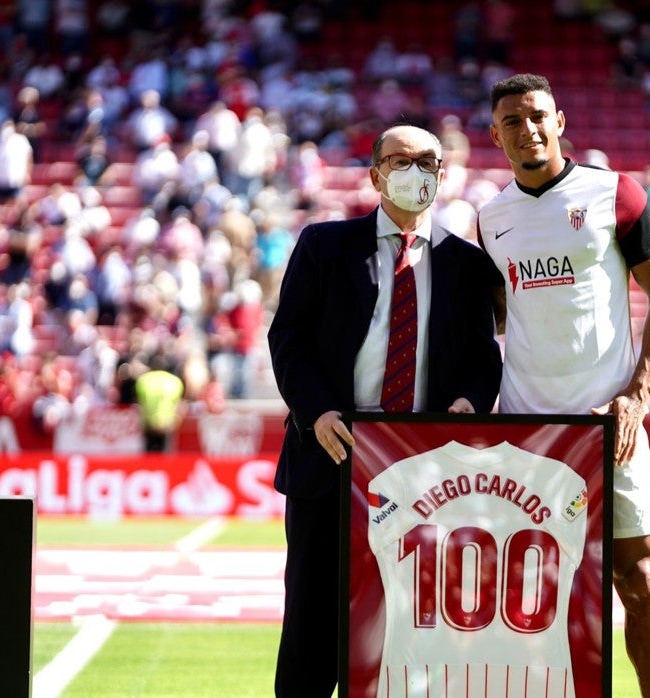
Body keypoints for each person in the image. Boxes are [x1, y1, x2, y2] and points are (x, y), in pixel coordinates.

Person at [266, 123, 502, 698]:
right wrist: (317, 412)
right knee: (312, 626)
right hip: (332, 455)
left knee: (408, 629)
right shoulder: (324, 246)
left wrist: (470, 403)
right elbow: (288, 341)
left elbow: (483, 359)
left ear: (443, 174)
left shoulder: (467, 264)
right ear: (375, 175)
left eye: (428, 161)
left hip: (423, 469)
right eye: (400, 161)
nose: (415, 172)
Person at [477, 73, 650, 698]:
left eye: (538, 116)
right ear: (495, 135)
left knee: (637, 581)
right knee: (533, 592)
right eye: (512, 121)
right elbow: (498, 318)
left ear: (559, 121)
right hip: (528, 431)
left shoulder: (614, 193)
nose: (528, 129)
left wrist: (638, 395)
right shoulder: (491, 218)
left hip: (610, 425)